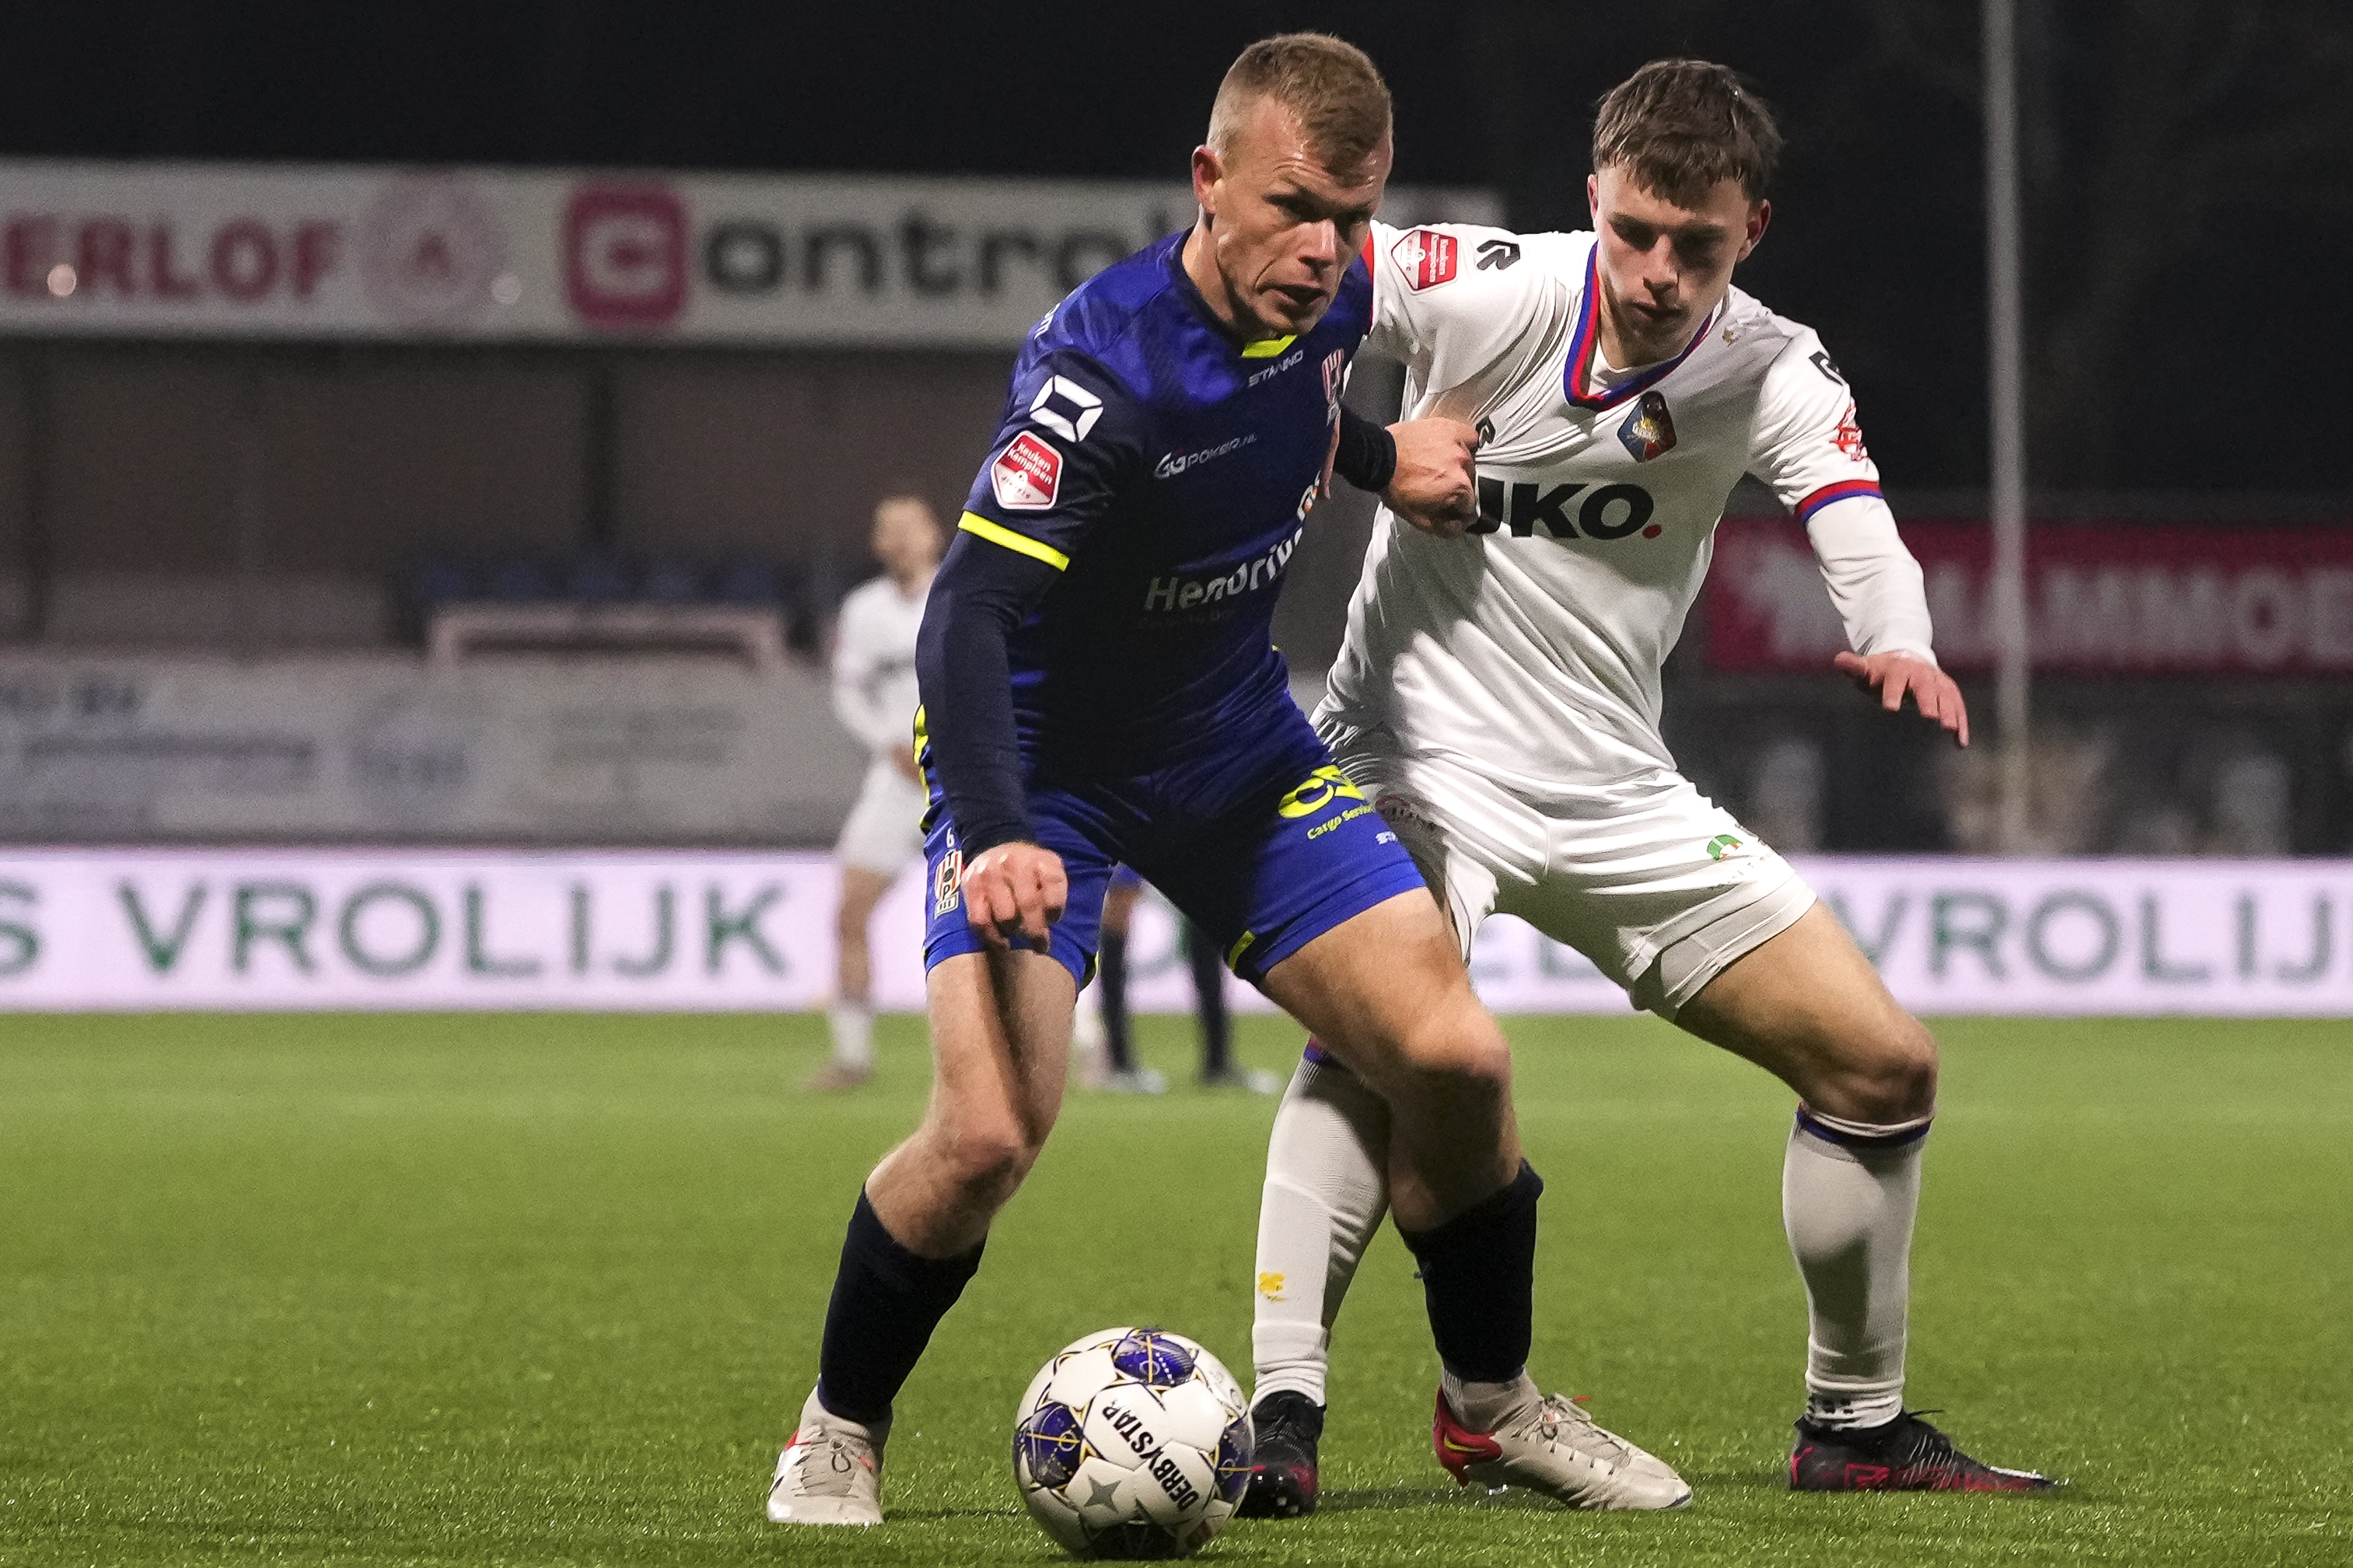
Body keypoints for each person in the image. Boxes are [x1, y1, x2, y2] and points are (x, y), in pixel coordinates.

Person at [768, 33, 1689, 1529]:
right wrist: (995, 826)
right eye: (1291, 208)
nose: (1323, 249)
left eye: (1351, 216)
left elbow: (1296, 418)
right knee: (989, 1137)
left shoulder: (1321, 309)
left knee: (1457, 1059)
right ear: (1209, 182)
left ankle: (1493, 1405)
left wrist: (1391, 460)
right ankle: (838, 1426)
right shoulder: (1102, 368)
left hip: (1237, 752)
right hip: (1046, 784)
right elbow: (969, 614)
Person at [1239, 59, 2055, 1517]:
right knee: (1389, 1047)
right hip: (1413, 754)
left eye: (1701, 246)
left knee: (1882, 1069)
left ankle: (1851, 1427)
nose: (1661, 275)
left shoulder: (1773, 363)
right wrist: (1344, 438)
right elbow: (1286, 288)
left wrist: (1896, 637)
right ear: (1594, 203)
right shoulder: (1482, 286)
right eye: (1637, 235)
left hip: (1614, 785)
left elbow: (1851, 518)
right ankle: (1283, 1410)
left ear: (1754, 229)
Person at [808, 494, 945, 1092]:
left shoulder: (961, 594)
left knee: (1024, 918)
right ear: (877, 543)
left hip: (961, 783)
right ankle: (852, 1056)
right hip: (896, 782)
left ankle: (1086, 1046)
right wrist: (887, 741)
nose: (898, 539)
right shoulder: (864, 609)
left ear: (934, 535)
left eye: (908, 528)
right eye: (887, 529)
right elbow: (848, 692)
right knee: (850, 910)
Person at [1085, 868, 1281, 1094]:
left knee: (1203, 913)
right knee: (1119, 912)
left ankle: (1217, 1063)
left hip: (1173, 836)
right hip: (1131, 835)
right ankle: (1119, 1064)